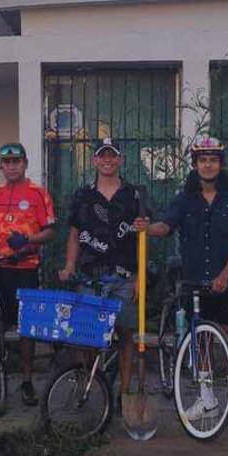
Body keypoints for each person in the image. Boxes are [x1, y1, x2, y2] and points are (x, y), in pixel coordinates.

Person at [146, 136, 228, 432]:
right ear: (194, 165)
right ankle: (207, 399)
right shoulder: (185, 199)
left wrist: (224, 276)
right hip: (194, 282)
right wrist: (143, 228)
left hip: (227, 283)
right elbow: (166, 226)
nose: (208, 164)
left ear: (221, 164)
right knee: (201, 341)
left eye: (213, 159)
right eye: (202, 160)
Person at [58, 138, 151, 411]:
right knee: (86, 337)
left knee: (126, 337)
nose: (107, 160)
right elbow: (74, 236)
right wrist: (69, 267)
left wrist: (140, 277)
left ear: (120, 160)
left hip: (125, 278)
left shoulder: (135, 195)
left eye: (113, 156)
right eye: (102, 156)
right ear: (95, 161)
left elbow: (145, 238)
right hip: (90, 276)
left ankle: (123, 396)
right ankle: (90, 386)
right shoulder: (83, 195)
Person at [0, 142, 56, 406]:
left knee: (27, 329)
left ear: (25, 163)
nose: (12, 167)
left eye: (17, 162)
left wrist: (27, 240)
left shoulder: (38, 193)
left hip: (26, 267)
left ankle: (26, 381)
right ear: (1, 166)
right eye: (7, 162)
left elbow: (50, 231)